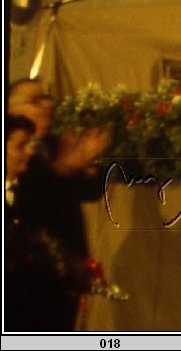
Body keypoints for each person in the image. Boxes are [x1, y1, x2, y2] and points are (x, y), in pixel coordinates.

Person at [7, 80, 109, 330]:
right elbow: (31, 199)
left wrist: (88, 166)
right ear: (9, 110)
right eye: (34, 101)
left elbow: (88, 191)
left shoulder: (54, 144)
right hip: (28, 281)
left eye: (46, 99)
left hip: (66, 270)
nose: (45, 106)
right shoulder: (12, 152)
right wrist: (66, 168)